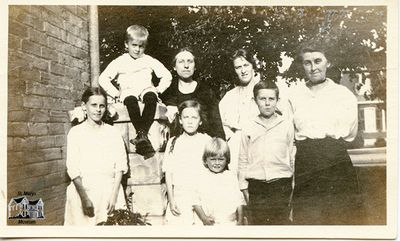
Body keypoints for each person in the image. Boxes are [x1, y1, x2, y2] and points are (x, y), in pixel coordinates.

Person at [288, 40, 362, 224]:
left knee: (341, 217)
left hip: (335, 160)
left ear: (328, 62)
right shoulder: (294, 96)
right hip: (306, 162)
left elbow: (350, 133)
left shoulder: (342, 95)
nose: (313, 67)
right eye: (307, 62)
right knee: (308, 218)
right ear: (302, 66)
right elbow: (289, 133)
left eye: (318, 61)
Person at [99, 24, 172, 155]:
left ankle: (141, 134)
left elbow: (167, 75)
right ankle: (142, 134)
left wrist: (159, 89)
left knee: (151, 97)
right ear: (126, 44)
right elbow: (103, 78)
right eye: (134, 45)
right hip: (128, 90)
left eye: (141, 46)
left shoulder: (149, 60)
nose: (137, 50)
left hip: (146, 89)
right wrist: (116, 93)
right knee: (131, 100)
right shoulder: (119, 61)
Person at [64, 87, 128, 225]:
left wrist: (115, 195)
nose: (98, 110)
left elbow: (120, 165)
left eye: (102, 106)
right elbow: (72, 168)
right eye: (93, 105)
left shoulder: (113, 133)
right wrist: (84, 198)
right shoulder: (76, 133)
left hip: (109, 193)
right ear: (84, 106)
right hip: (84, 193)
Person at [238, 80, 295, 225]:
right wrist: (244, 187)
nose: (267, 103)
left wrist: (292, 185)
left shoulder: (286, 125)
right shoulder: (248, 125)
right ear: (255, 101)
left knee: (280, 226)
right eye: (262, 99)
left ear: (277, 100)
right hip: (257, 186)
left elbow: (292, 156)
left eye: (271, 99)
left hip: (281, 184)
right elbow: (243, 158)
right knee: (259, 227)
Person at [162, 100, 211, 225]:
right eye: (186, 117)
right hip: (180, 197)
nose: (189, 121)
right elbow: (168, 173)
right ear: (180, 120)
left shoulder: (206, 140)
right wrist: (171, 200)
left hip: (202, 197)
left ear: (200, 121)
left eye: (194, 117)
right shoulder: (173, 142)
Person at [160, 47, 225, 139]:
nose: (186, 65)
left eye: (190, 61)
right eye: (181, 61)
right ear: (174, 66)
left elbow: (216, 126)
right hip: (176, 145)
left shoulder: (205, 91)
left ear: (195, 67)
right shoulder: (167, 93)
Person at [218, 48, 261, 173]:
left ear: (253, 66)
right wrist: (232, 139)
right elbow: (221, 125)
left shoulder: (265, 93)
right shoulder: (229, 97)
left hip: (260, 146)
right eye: (238, 67)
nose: (243, 71)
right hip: (236, 150)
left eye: (246, 65)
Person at [193, 137, 245, 225]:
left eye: (221, 159)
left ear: (227, 160)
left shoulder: (230, 177)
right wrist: (204, 219)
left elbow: (239, 201)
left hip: (229, 222)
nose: (217, 163)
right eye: (213, 159)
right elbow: (195, 201)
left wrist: (240, 221)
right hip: (209, 223)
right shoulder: (201, 177)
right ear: (205, 160)